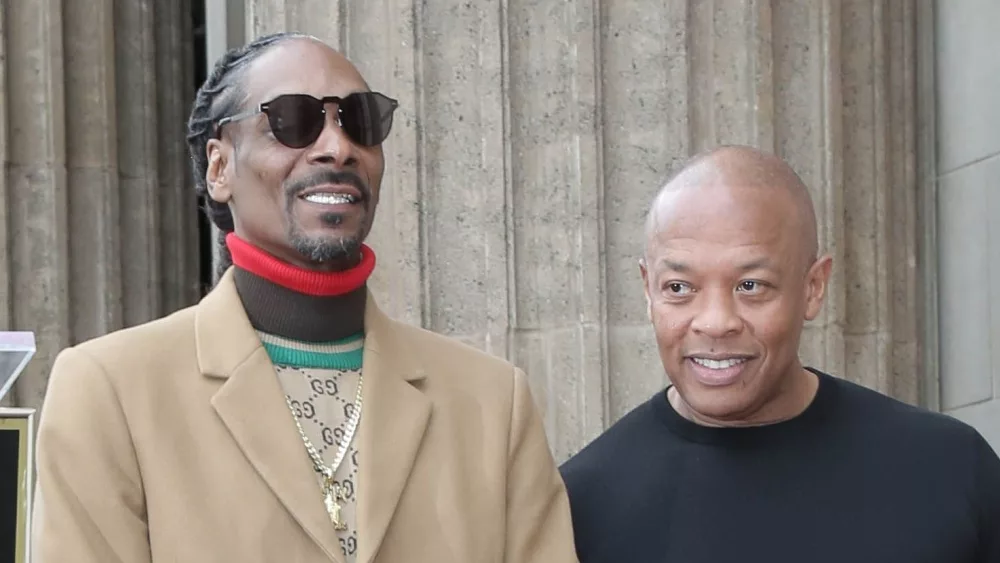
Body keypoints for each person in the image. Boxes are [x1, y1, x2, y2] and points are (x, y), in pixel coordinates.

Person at [31, 32, 578, 563]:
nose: (338, 147)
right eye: (292, 120)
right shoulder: (109, 391)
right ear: (220, 168)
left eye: (360, 121)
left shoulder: (492, 402)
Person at [559, 145, 1000, 562]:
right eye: (679, 287)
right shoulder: (580, 508)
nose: (715, 322)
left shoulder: (950, 470)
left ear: (813, 287)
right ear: (647, 290)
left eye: (750, 286)